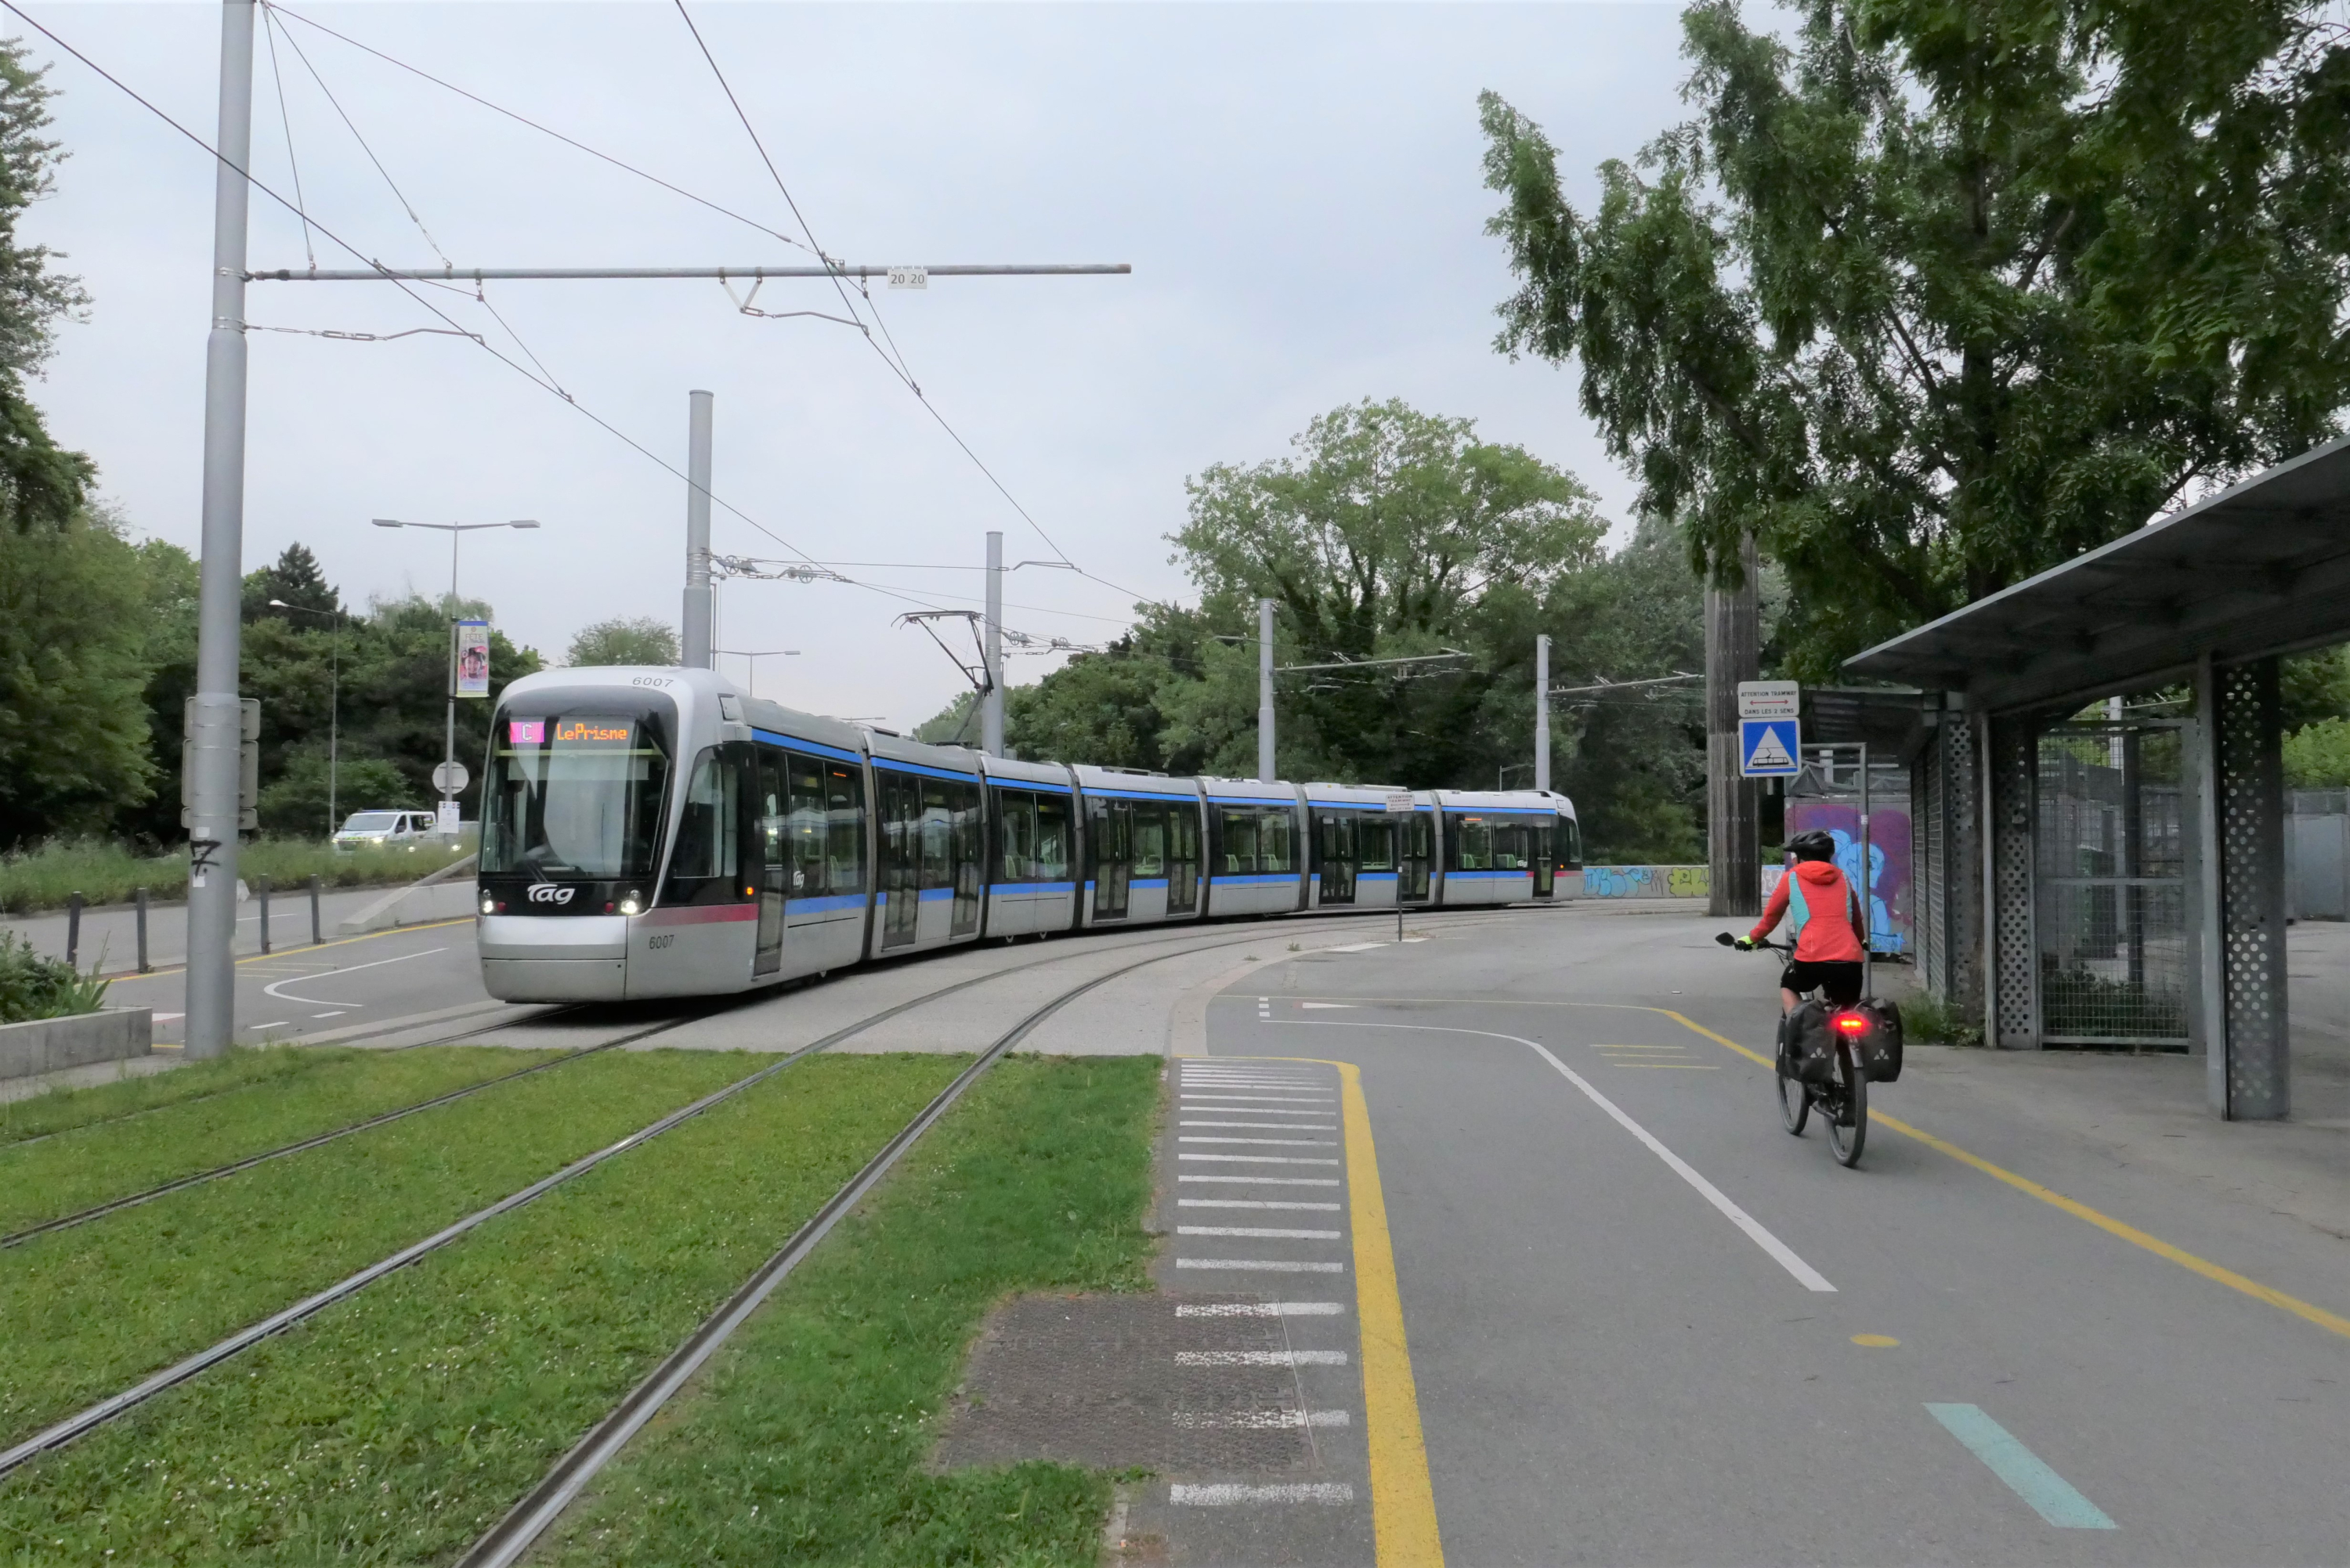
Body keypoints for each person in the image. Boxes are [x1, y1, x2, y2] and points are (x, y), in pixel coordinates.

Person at [1735, 829, 1867, 1013]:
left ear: (1800, 857)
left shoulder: (1792, 877)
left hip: (1811, 959)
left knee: (1788, 985)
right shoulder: (1843, 877)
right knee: (1848, 1009)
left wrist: (1751, 939)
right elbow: (1856, 920)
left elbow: (1771, 918)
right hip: (1850, 961)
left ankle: (1796, 1028)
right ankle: (1854, 1041)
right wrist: (1860, 942)